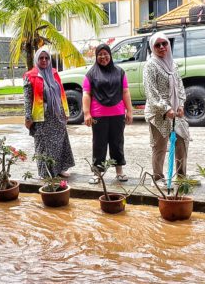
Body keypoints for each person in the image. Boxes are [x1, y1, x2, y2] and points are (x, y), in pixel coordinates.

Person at [83, 44, 133, 183]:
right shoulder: (91, 74)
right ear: (96, 56)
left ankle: (119, 172)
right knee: (99, 144)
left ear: (110, 55)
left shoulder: (120, 72)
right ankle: (97, 173)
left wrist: (129, 110)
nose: (103, 57)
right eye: (100, 54)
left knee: (117, 143)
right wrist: (87, 113)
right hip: (98, 115)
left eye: (106, 54)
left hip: (117, 114)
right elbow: (86, 94)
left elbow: (125, 92)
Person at [143, 32, 190, 181]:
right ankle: (158, 178)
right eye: (157, 45)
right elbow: (151, 92)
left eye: (164, 43)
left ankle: (181, 178)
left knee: (181, 143)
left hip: (176, 112)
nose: (162, 47)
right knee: (160, 148)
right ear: (152, 47)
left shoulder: (172, 64)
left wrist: (181, 104)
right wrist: (166, 108)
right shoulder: (150, 65)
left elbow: (180, 85)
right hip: (158, 114)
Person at [23, 47, 75, 178]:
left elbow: (62, 93)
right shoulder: (30, 76)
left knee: (60, 143)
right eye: (41, 58)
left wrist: (65, 112)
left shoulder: (54, 73)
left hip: (57, 115)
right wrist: (28, 117)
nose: (44, 60)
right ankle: (45, 173)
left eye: (46, 58)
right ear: (37, 59)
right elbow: (28, 99)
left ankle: (60, 169)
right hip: (41, 117)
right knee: (44, 145)